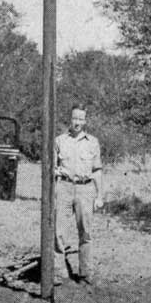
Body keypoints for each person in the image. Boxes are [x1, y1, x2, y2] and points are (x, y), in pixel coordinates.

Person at [54, 106, 103, 285]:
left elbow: (97, 170)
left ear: (85, 121)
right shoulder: (60, 141)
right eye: (75, 118)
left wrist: (99, 196)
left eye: (81, 119)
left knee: (85, 232)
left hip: (85, 189)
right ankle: (59, 273)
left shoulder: (92, 142)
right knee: (59, 232)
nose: (78, 122)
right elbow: (51, 168)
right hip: (65, 187)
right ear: (70, 118)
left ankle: (85, 273)